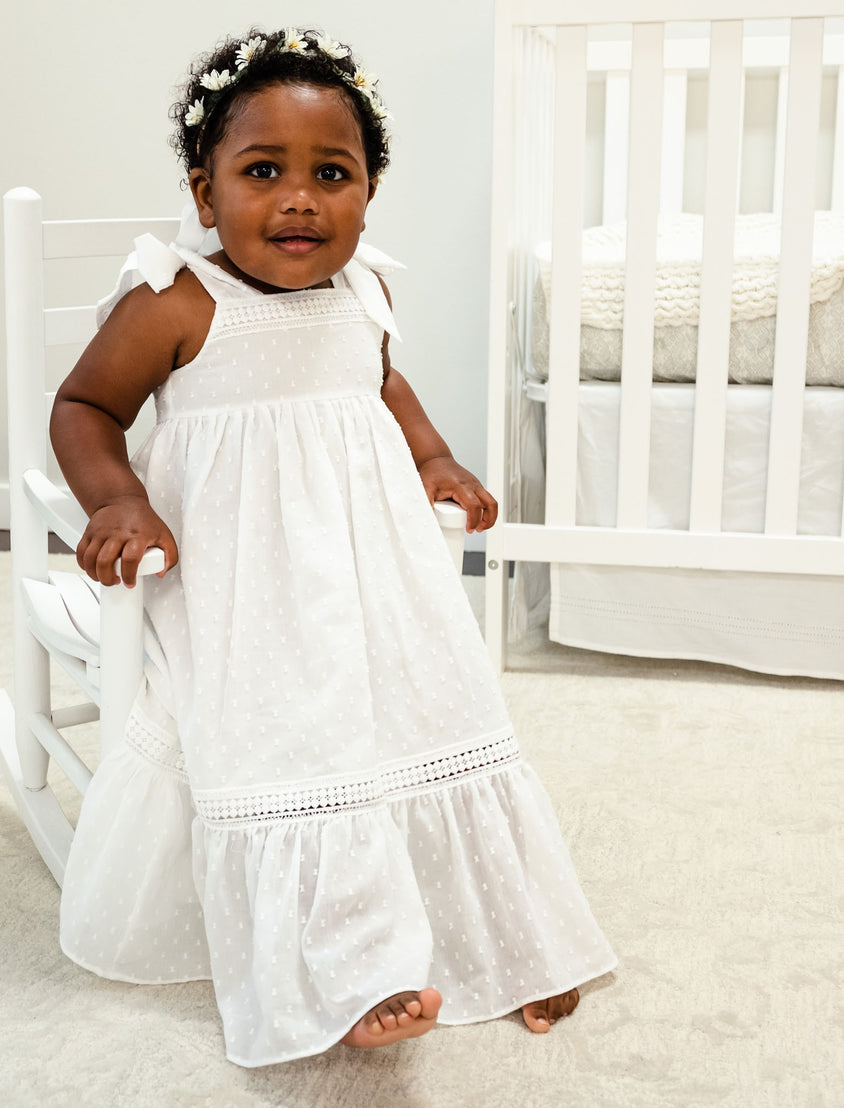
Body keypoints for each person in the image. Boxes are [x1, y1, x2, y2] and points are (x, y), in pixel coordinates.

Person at [50, 27, 615, 1068]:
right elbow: (85, 404)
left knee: (441, 699)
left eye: (332, 174)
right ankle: (349, 970)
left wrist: (436, 460)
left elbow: (385, 386)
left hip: (369, 568)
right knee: (294, 728)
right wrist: (116, 499)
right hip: (233, 578)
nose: (299, 198)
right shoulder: (174, 299)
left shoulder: (368, 293)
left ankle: (508, 931)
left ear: (367, 192)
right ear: (204, 189)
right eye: (262, 172)